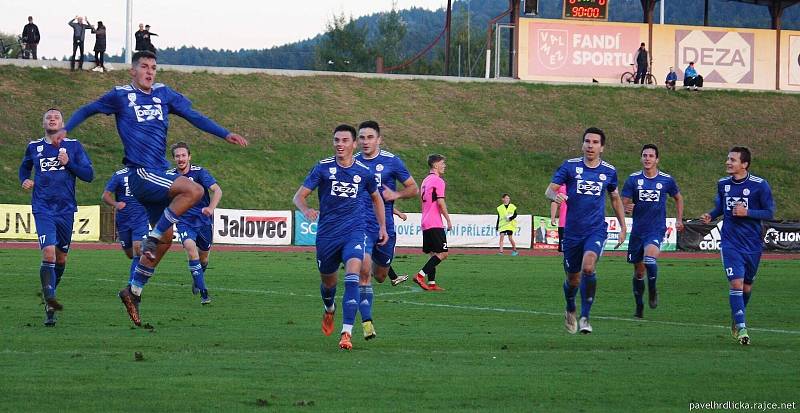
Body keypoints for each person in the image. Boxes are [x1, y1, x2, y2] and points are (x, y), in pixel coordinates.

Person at [56, 50, 248, 327]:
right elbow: (89, 108)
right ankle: (152, 236)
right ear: (132, 71)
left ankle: (133, 290)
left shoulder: (164, 94)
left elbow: (194, 116)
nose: (150, 71)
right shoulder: (120, 95)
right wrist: (67, 128)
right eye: (144, 67)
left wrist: (224, 133)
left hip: (158, 174)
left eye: (154, 67)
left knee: (167, 240)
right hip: (141, 173)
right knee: (193, 191)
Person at [293, 124, 388, 351]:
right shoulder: (323, 168)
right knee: (329, 283)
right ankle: (329, 309)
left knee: (353, 274)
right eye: (336, 140)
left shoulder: (365, 172)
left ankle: (346, 332)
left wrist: (382, 226)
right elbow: (299, 196)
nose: (340, 144)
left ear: (353, 144)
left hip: (354, 231)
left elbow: (377, 198)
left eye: (345, 141)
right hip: (327, 235)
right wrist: (306, 210)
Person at [545, 127, 626, 334]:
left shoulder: (609, 171)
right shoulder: (570, 166)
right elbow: (549, 190)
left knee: (588, 267)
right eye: (587, 141)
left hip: (596, 230)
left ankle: (585, 317)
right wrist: (556, 197)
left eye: (595, 142)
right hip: (572, 232)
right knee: (573, 279)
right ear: (582, 144)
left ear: (602, 147)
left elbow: (615, 198)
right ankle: (570, 306)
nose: (591, 145)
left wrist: (624, 226)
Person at [18, 109, 95, 326]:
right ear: (43, 122)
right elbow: (24, 167)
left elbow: (89, 176)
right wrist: (24, 179)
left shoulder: (74, 146)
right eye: (48, 117)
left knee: (61, 259)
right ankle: (50, 304)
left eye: (56, 117)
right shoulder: (34, 147)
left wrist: (68, 162)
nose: (52, 119)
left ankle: (49, 290)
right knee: (49, 254)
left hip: (66, 210)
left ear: (62, 123)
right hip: (43, 208)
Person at [701, 147, 774, 346]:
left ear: (744, 164)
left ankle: (737, 315)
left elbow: (769, 213)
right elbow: (720, 207)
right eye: (728, 158)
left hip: (752, 244)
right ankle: (741, 327)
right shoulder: (723, 184)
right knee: (736, 284)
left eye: (732, 160)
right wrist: (711, 214)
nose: (728, 162)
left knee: (747, 286)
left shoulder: (760, 185)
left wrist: (747, 212)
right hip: (730, 243)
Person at [354, 120, 419, 339]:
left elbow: (413, 188)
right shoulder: (351, 163)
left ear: (379, 140)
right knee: (363, 273)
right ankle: (367, 323)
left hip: (384, 229)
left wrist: (396, 195)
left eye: (369, 137)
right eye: (361, 137)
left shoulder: (392, 162)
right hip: (359, 226)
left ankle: (373, 263)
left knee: (380, 276)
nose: (365, 141)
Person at [621, 144, 684, 319]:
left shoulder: (666, 180)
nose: (647, 158)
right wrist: (626, 207)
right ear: (641, 158)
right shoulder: (633, 180)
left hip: (656, 229)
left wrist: (679, 219)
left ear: (657, 159)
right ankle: (639, 305)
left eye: (651, 156)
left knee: (650, 259)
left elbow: (678, 198)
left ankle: (653, 290)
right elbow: (621, 202)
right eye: (644, 155)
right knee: (639, 272)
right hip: (638, 231)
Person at [169, 142, 221, 305]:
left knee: (203, 258)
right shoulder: (170, 176)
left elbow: (217, 190)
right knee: (191, 250)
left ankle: (198, 278)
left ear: (189, 157)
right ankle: (204, 293)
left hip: (204, 221)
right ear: (173, 159)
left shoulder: (200, 173)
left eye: (183, 155)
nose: (180, 159)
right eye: (177, 156)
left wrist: (211, 208)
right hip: (184, 221)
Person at [102, 165, 150, 286]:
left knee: (139, 251)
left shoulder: (147, 174)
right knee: (130, 253)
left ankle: (131, 287)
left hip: (140, 219)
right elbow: (105, 196)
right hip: (123, 221)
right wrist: (115, 204)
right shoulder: (119, 175)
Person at [413, 154, 452, 291]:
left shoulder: (425, 181)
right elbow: (440, 202)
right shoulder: (438, 181)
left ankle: (432, 283)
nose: (444, 165)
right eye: (442, 163)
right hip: (435, 222)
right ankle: (420, 275)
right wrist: (448, 220)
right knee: (443, 253)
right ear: (435, 165)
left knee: (434, 254)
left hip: (425, 221)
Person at [550, 184, 567, 252]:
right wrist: (552, 218)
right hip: (564, 222)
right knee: (563, 248)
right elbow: (554, 202)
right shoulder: (561, 186)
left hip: (575, 222)